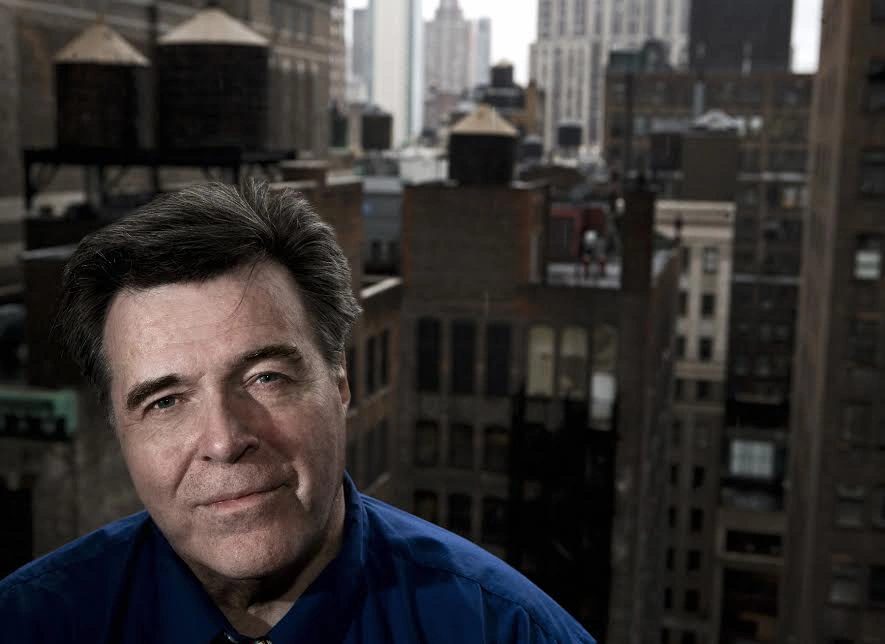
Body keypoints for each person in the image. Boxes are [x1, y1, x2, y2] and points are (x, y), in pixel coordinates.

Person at [0, 181, 596, 643]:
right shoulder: (28, 624)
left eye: (265, 377)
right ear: (120, 433)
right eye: (165, 401)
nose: (224, 440)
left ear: (338, 384)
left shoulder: (506, 631)